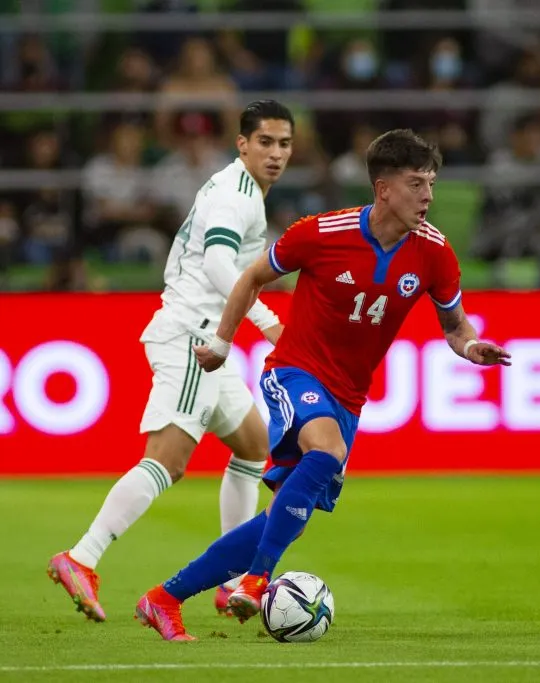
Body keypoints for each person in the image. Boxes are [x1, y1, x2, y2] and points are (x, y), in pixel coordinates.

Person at [134, 129, 511, 641]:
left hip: (349, 396)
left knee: (283, 517)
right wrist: (222, 343)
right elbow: (250, 278)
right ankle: (257, 579)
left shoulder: (434, 252)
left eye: (431, 184)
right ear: (383, 189)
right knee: (326, 450)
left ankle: (163, 598)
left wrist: (471, 347)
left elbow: (455, 326)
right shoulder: (321, 232)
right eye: (416, 183)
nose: (427, 195)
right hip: (294, 370)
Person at [47, 100, 296, 622]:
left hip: (209, 336)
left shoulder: (243, 190)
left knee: (254, 446)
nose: (275, 153)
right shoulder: (235, 195)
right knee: (168, 461)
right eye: (265, 142)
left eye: (284, 143)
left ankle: (233, 579)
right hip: (193, 338)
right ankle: (81, 557)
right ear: (242, 144)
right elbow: (218, 264)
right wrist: (269, 321)